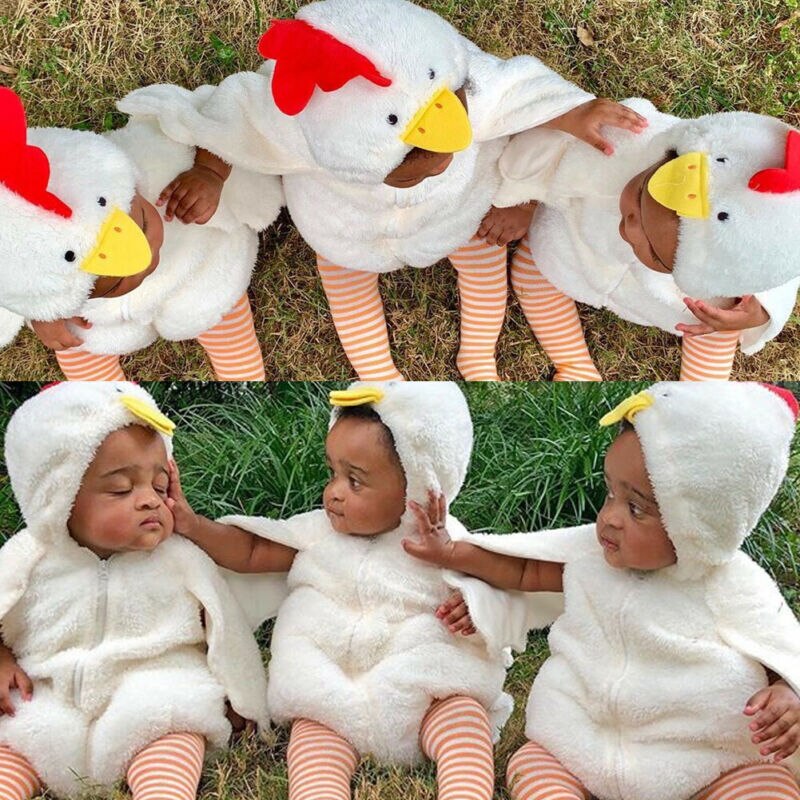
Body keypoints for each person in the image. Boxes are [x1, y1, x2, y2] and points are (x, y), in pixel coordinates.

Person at [404, 382, 800, 799]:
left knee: (766, 786)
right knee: (531, 766)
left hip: (698, 761)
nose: (609, 518)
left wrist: (787, 693)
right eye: (611, 493)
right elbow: (522, 569)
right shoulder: (593, 558)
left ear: (699, 523)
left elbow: (782, 650)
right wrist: (451, 553)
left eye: (636, 508)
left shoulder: (732, 584)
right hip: (581, 744)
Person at [0, 382, 268, 799]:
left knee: (174, 720)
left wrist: (242, 695)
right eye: (122, 489)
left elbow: (224, 624)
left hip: (151, 689)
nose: (149, 501)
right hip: (47, 693)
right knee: (16, 732)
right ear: (59, 496)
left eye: (160, 487)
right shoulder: (27, 558)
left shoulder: (179, 557)